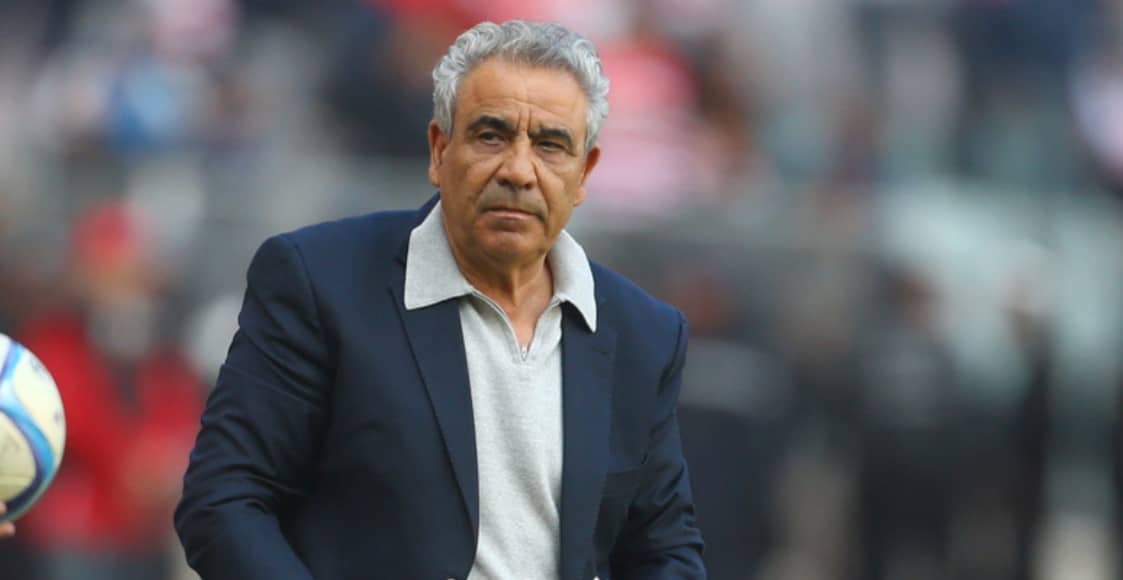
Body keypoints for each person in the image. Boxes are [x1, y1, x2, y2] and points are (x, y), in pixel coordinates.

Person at [174, 19, 705, 580]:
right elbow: (225, 499)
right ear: (439, 150)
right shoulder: (320, 282)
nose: (518, 170)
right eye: (491, 135)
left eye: (550, 145)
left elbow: (666, 550)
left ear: (584, 174)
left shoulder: (643, 333)